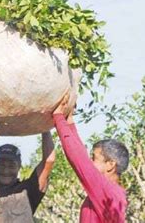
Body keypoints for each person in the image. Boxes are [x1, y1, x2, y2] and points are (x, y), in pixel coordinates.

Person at [52, 93, 129, 222]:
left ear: (110, 165)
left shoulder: (107, 190)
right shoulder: (114, 192)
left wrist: (58, 117)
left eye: (95, 158)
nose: (90, 163)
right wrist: (69, 122)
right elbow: (81, 156)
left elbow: (79, 160)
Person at [0, 134, 55, 222]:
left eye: (11, 166)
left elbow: (49, 160)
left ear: (19, 166)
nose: (6, 171)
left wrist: (44, 128)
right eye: (1, 165)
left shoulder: (28, 190)